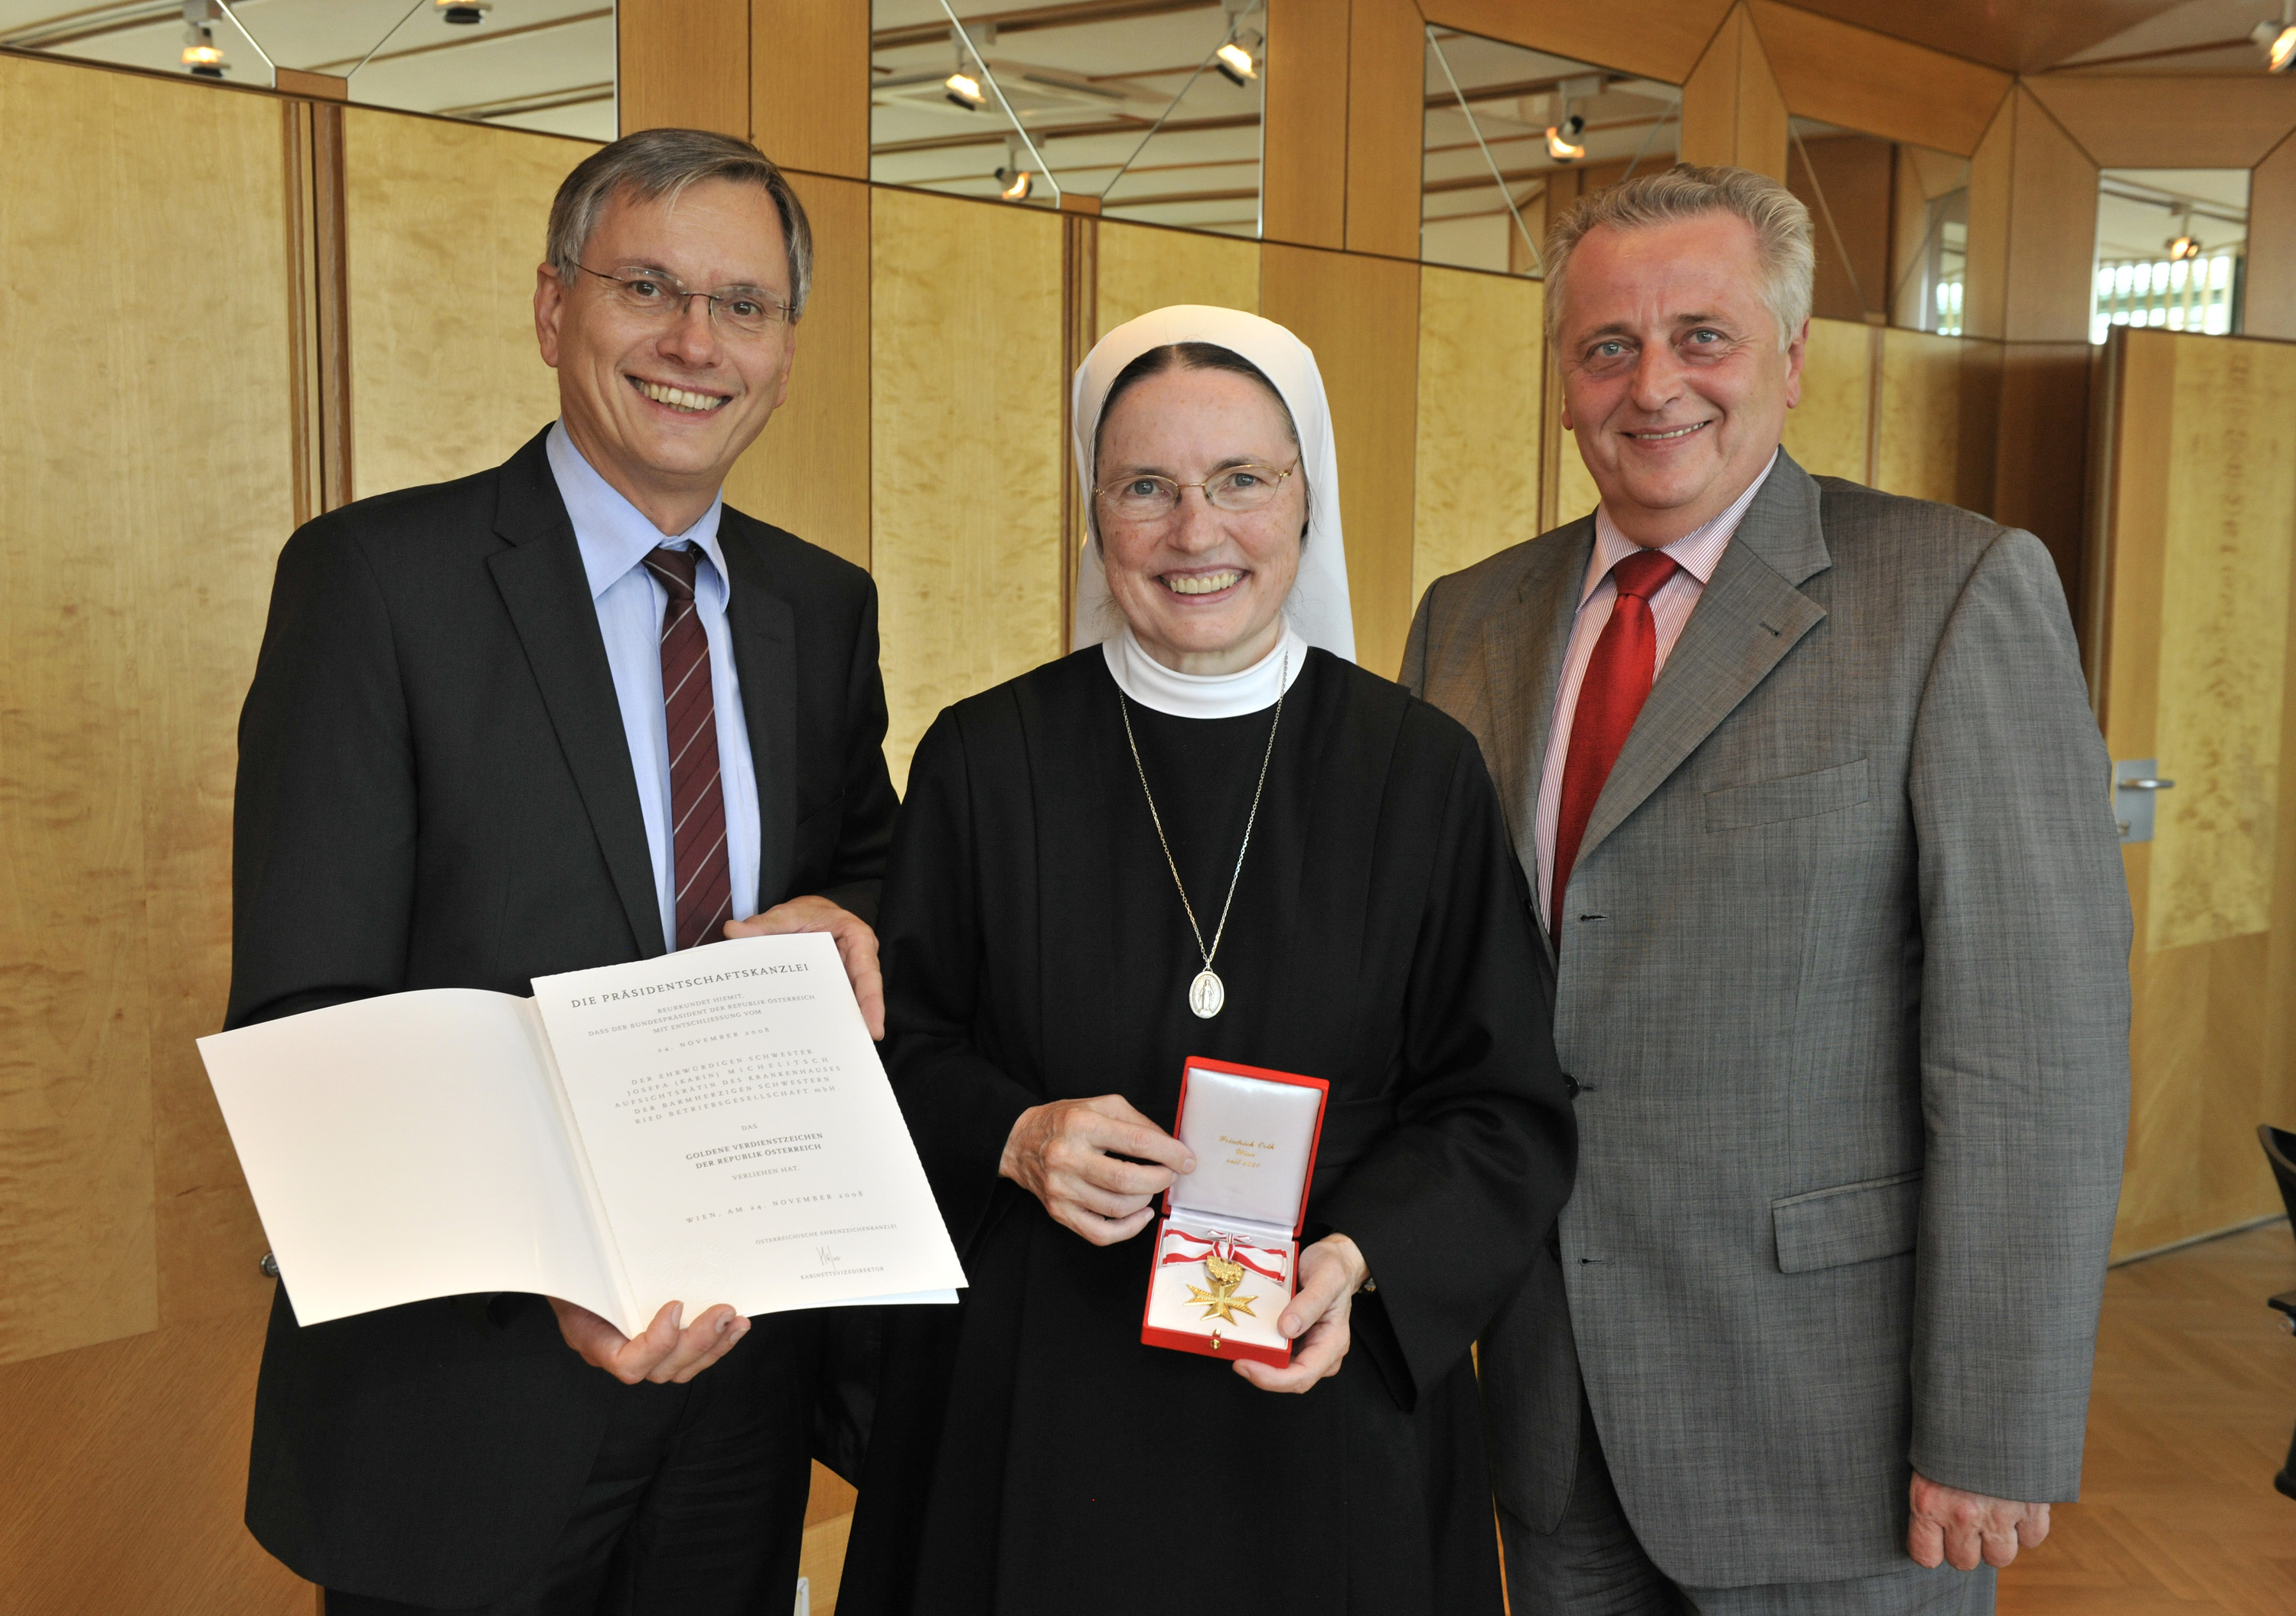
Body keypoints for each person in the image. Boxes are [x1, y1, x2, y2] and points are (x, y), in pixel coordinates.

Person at [1403, 165, 2131, 1615]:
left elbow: (2032, 1057)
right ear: (1562, 379)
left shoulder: (1954, 593)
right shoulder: (1468, 619)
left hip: (1837, 1435)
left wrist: (1994, 1422)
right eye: (1608, 344)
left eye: (1704, 336)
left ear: (1793, 360)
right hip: (1543, 1410)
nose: (1652, 383)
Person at [227, 129, 899, 1614]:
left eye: (743, 304)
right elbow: (309, 1019)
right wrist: (547, 1273)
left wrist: (849, 916)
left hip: (736, 1382)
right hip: (461, 1397)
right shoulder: (373, 586)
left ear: (786, 347)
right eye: (646, 286)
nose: (692, 342)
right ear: (552, 308)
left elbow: (877, 862)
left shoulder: (819, 607)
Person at [833, 306, 1577, 1616]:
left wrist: (1363, 1266)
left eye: (1242, 481)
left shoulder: (1420, 773)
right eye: (1146, 488)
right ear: (1096, 513)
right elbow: (897, 1052)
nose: (1197, 533)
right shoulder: (985, 758)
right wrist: (1017, 1133)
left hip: (1321, 1390)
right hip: (1041, 1401)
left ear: (1304, 500)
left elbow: (1500, 1108)